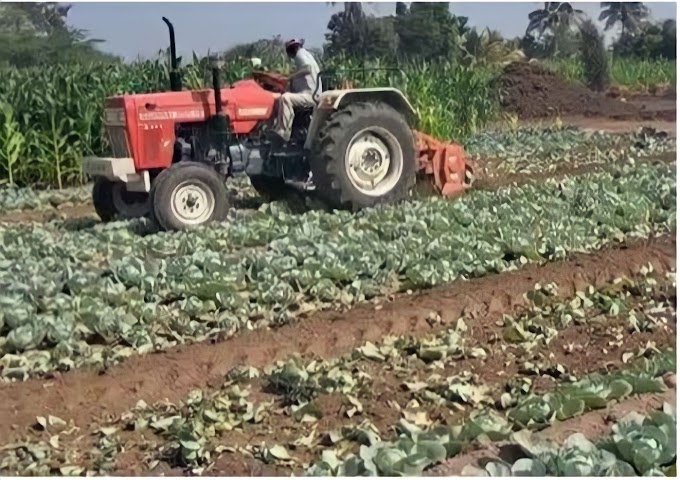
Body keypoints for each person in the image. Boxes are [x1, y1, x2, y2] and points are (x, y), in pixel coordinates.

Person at [270, 39, 321, 143]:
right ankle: (286, 128)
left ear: (291, 50)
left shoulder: (299, 55)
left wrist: (290, 77)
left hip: (310, 95)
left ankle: (284, 132)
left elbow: (308, 69)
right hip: (312, 93)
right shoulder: (306, 55)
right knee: (285, 97)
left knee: (285, 98)